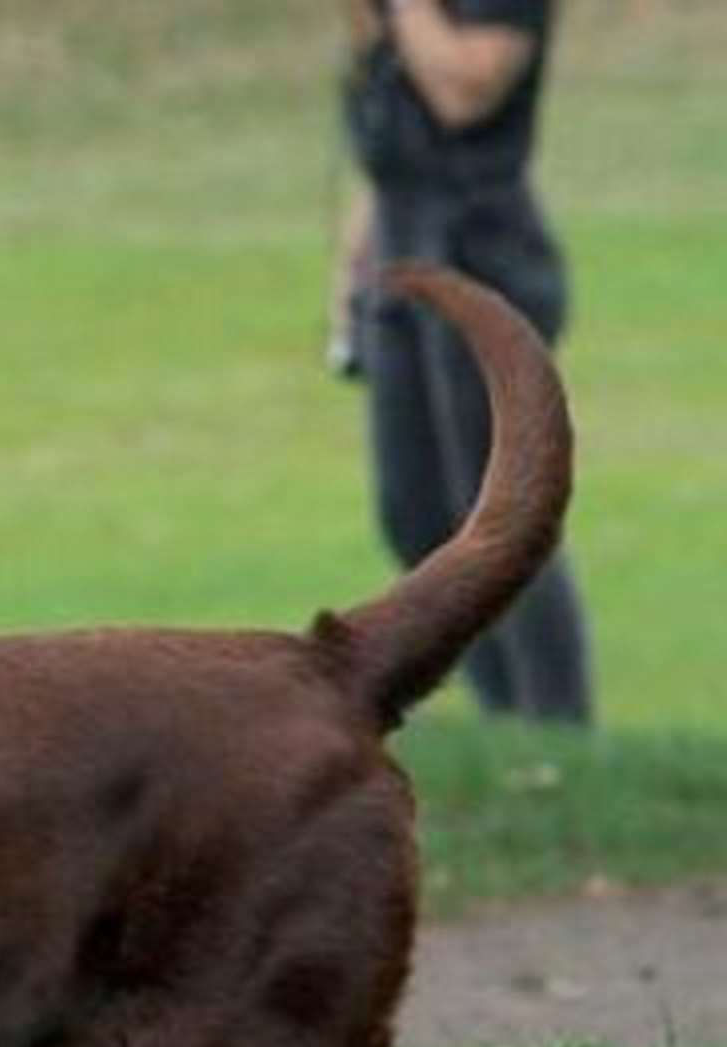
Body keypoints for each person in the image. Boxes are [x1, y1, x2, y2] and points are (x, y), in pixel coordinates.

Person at [333, 0, 592, 725]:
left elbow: (462, 91)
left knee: (503, 510)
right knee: (415, 512)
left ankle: (557, 724)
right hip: (402, 244)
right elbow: (390, 124)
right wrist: (354, 262)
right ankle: (506, 717)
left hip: (482, 253)